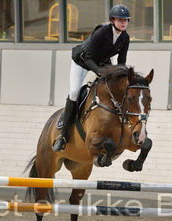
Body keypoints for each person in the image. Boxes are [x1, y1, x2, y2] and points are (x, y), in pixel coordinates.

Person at [52, 4, 131, 152]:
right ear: (113, 20)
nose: (123, 22)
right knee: (75, 91)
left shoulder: (125, 37)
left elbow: (121, 62)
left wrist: (122, 78)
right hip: (82, 61)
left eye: (126, 20)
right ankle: (63, 135)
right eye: (120, 19)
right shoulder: (102, 32)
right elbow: (88, 57)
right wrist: (99, 72)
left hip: (101, 62)